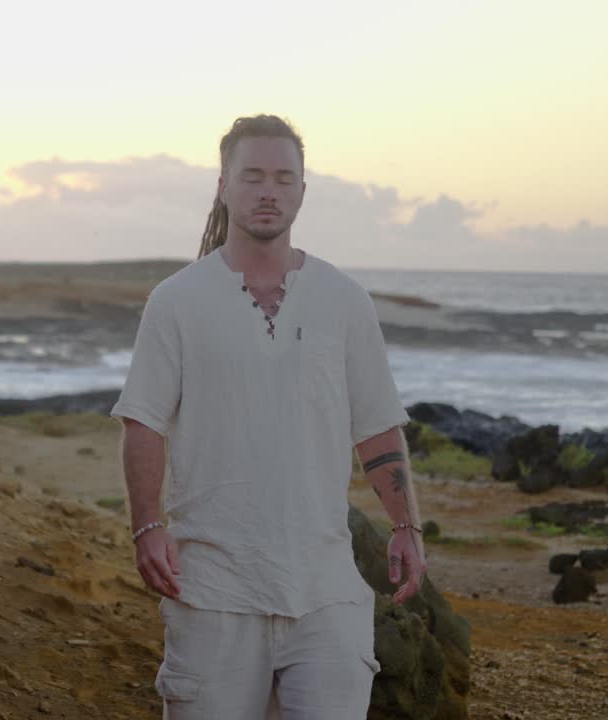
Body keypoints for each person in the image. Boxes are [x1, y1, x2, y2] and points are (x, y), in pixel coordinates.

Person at [110, 114, 426, 719]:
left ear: (303, 191)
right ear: (224, 185)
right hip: (212, 588)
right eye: (252, 176)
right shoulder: (177, 300)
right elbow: (143, 421)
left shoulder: (343, 299)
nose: (268, 190)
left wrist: (407, 526)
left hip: (327, 590)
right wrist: (147, 525)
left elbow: (378, 425)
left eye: (284, 178)